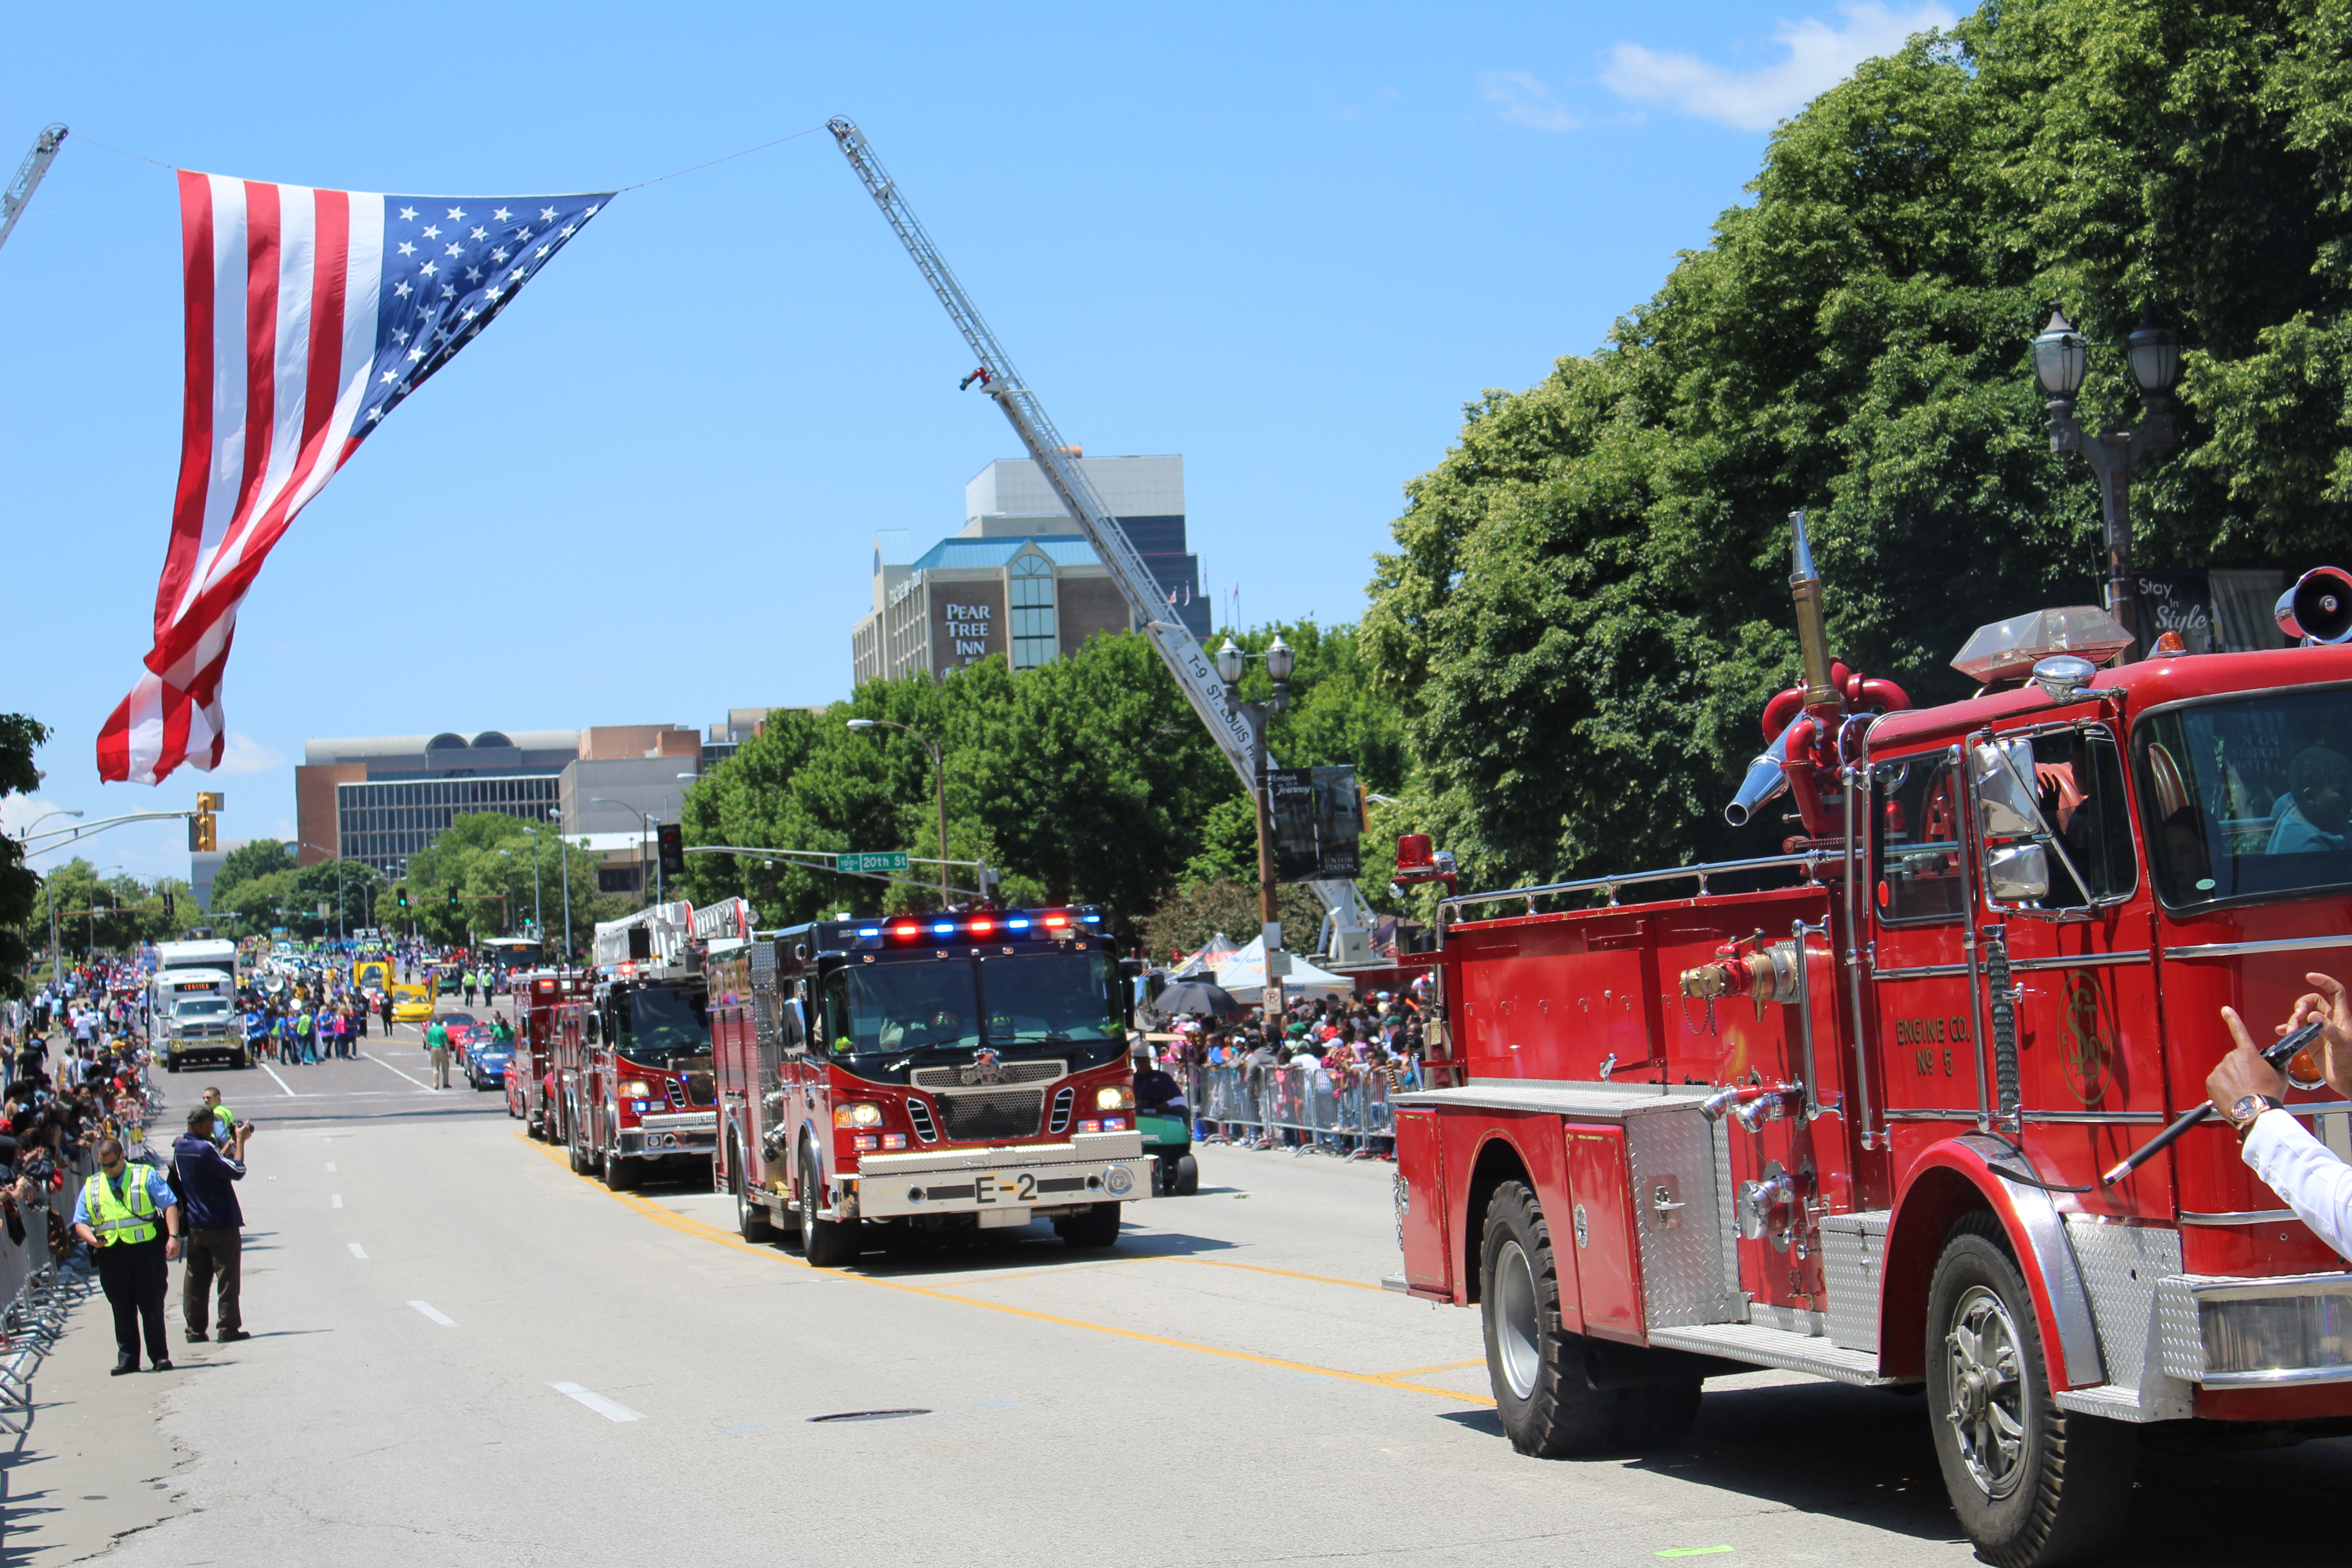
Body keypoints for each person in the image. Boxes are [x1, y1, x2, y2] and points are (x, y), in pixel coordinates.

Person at [70, 1137, 182, 1374]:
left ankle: (160, 1356)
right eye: (102, 1165)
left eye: (111, 1165)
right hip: (111, 1253)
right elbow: (79, 1221)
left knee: (152, 1305)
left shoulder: (144, 1175)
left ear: (122, 1157)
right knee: (121, 1308)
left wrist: (173, 1236)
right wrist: (91, 1239)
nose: (107, 1170)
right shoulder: (92, 1185)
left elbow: (170, 1204)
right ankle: (128, 1359)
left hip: (146, 1250)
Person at [171, 1105, 251, 1343]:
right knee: (227, 1278)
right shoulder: (204, 1149)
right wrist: (241, 1142)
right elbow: (237, 1170)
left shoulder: (181, 1148)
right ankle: (228, 1327)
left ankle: (195, 1330)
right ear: (204, 1126)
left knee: (196, 1279)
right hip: (220, 1222)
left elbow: (215, 1162)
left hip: (195, 1224)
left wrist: (227, 1146)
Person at [2268, 748, 2351, 855]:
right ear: (2310, 796)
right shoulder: (2308, 852)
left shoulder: (2299, 806)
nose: (2351, 797)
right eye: (2342, 791)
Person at [427, 1016, 453, 1090]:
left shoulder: (431, 1030)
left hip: (434, 1049)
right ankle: (445, 1083)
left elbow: (428, 1041)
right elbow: (446, 1042)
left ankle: (436, 1084)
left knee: (435, 1067)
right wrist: (449, 1051)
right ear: (441, 1022)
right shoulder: (442, 1030)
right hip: (442, 1048)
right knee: (445, 1066)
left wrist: (431, 1048)